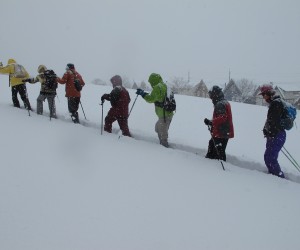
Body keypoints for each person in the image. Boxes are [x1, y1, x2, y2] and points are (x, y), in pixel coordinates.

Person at [136, 73, 174, 147]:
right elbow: (156, 97)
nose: (150, 84)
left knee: (163, 135)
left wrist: (142, 94)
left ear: (153, 81)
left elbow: (151, 99)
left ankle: (164, 150)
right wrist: (144, 93)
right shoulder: (165, 85)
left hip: (164, 115)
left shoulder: (158, 87)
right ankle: (162, 143)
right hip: (168, 113)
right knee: (157, 128)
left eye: (150, 82)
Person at [259, 84, 286, 178]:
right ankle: (273, 175)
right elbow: (272, 121)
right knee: (269, 157)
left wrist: (269, 132)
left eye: (264, 94)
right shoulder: (275, 102)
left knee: (270, 158)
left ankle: (279, 177)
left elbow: (274, 122)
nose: (263, 97)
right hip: (276, 135)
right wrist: (267, 130)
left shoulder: (276, 103)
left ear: (269, 93)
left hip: (277, 135)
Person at [204, 85, 234, 161]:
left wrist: (211, 122)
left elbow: (223, 117)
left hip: (221, 132)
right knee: (217, 148)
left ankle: (216, 165)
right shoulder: (224, 102)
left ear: (215, 94)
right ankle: (213, 160)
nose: (210, 98)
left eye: (211, 95)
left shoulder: (220, 104)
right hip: (225, 131)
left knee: (217, 150)